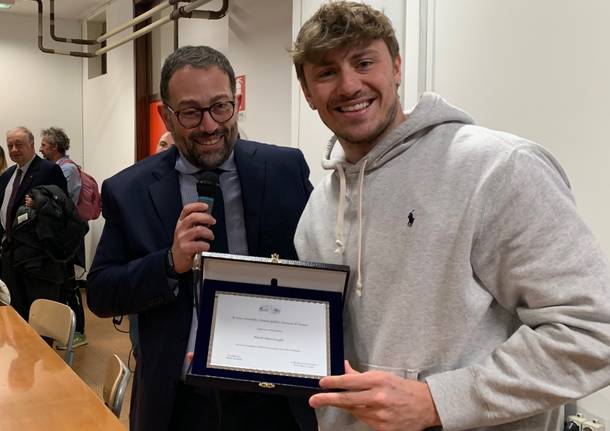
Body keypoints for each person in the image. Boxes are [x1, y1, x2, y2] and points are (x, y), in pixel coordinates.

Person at [291, 2, 610, 430]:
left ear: (397, 67)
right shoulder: (318, 210)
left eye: (364, 62)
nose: (349, 85)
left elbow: (593, 331)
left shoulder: (498, 168)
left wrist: (437, 401)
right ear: (308, 92)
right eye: (326, 73)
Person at [87, 45, 316, 431]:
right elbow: (101, 293)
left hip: (273, 396)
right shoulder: (130, 190)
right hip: (180, 401)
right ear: (166, 116)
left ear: (236, 102)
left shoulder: (284, 169)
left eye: (220, 107)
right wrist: (168, 262)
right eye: (191, 112)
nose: (210, 126)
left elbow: (318, 260)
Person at [0, 127, 67, 319]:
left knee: (41, 317)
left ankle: (42, 350)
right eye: (10, 145)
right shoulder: (8, 175)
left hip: (39, 260)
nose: (13, 149)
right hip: (10, 257)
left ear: (32, 145)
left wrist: (41, 206)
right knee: (15, 314)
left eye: (19, 144)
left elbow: (61, 212)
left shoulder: (49, 170)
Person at [39, 127, 87, 347]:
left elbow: (59, 201)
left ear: (55, 147)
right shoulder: (58, 168)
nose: (41, 149)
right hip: (60, 232)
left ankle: (77, 332)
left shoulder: (66, 170)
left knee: (69, 283)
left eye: (44, 145)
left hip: (67, 234)